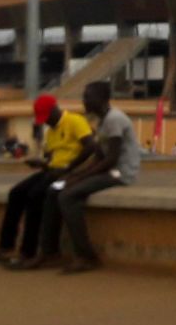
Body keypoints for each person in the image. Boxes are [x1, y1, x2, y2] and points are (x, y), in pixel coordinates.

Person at [13, 82, 139, 274]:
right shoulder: (102, 121)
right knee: (54, 189)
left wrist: (80, 178)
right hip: (108, 170)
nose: (84, 101)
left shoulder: (114, 119)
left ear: (101, 99)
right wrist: (76, 175)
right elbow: (99, 155)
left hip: (120, 173)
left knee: (68, 196)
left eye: (87, 97)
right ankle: (49, 252)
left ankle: (86, 256)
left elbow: (111, 159)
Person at [0, 94, 91, 265]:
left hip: (69, 172)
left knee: (35, 196)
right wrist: (41, 163)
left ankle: (28, 251)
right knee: (16, 193)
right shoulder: (50, 132)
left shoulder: (75, 121)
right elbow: (51, 158)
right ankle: (5, 245)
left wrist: (70, 167)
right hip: (51, 170)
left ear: (54, 110)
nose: (46, 122)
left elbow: (90, 146)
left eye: (47, 118)